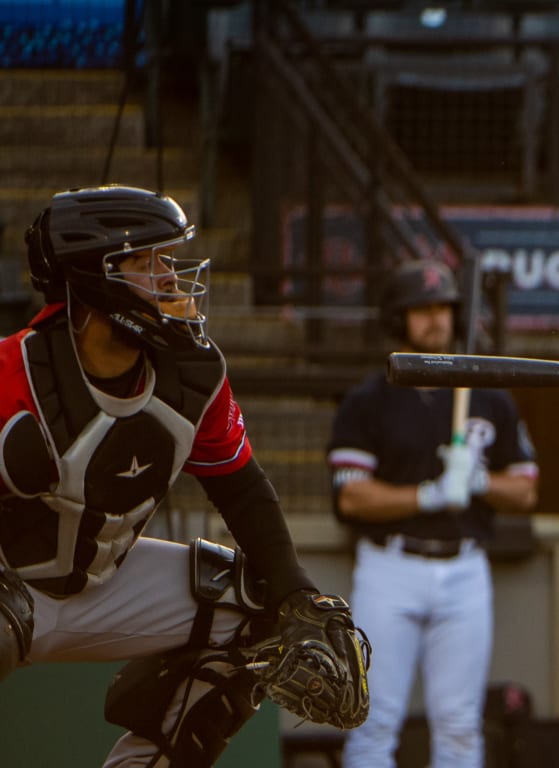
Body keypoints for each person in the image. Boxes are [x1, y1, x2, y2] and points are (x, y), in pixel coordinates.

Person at [0, 185, 367, 766]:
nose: (171, 277)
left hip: (102, 581)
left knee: (258, 608)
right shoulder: (12, 371)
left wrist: (299, 597)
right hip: (10, 586)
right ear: (98, 278)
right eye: (149, 261)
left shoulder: (194, 374)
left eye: (168, 258)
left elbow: (242, 489)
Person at [329, 259, 539, 768]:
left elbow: (527, 490)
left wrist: (481, 482)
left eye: (443, 307)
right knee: (373, 719)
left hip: (464, 567)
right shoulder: (369, 399)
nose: (436, 319)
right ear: (398, 318)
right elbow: (350, 497)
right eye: (422, 309)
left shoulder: (487, 393)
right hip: (390, 566)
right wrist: (426, 495)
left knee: (460, 725)